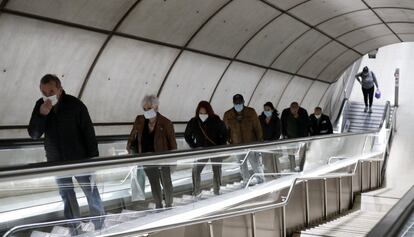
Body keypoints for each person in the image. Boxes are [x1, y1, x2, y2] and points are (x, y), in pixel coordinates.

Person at [28, 74, 105, 230]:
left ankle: (100, 226)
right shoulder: (40, 106)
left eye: (51, 91)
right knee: (67, 196)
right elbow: (34, 134)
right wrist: (42, 114)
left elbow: (88, 132)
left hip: (80, 158)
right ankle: (75, 228)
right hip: (56, 161)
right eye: (44, 92)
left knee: (90, 192)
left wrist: (93, 159)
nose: (47, 95)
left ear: (59, 89)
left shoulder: (75, 104)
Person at [126, 95, 176, 208]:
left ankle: (169, 204)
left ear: (156, 107)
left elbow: (172, 143)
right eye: (144, 109)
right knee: (154, 183)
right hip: (146, 158)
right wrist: (130, 147)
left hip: (163, 159)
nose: (146, 111)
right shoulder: (139, 120)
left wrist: (173, 160)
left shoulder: (166, 122)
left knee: (166, 183)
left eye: (149, 108)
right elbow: (132, 136)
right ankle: (158, 205)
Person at [184, 101, 228, 196]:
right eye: (201, 113)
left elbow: (225, 133)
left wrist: (220, 145)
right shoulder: (194, 122)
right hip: (201, 150)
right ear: (197, 112)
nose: (203, 115)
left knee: (216, 170)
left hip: (215, 149)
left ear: (209, 112)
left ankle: (217, 190)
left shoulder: (215, 120)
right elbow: (187, 135)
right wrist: (194, 146)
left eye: (205, 113)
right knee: (196, 169)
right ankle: (196, 191)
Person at [223, 94, 264, 185]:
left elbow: (258, 128)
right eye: (236, 103)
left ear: (243, 102)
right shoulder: (228, 115)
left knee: (255, 164)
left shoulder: (251, 112)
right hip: (237, 145)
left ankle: (261, 181)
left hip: (251, 144)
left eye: (240, 103)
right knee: (242, 165)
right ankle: (246, 182)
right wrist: (228, 142)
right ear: (233, 103)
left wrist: (260, 142)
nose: (238, 105)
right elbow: (225, 130)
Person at [281, 102, 309, 171]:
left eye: (295, 108)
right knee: (291, 153)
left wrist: (298, 117)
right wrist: (284, 134)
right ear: (290, 107)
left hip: (301, 137)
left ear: (298, 107)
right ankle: (292, 168)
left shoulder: (303, 112)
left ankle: (302, 168)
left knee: (302, 154)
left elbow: (307, 124)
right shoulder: (285, 112)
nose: (294, 109)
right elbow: (282, 123)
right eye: (292, 108)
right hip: (289, 137)